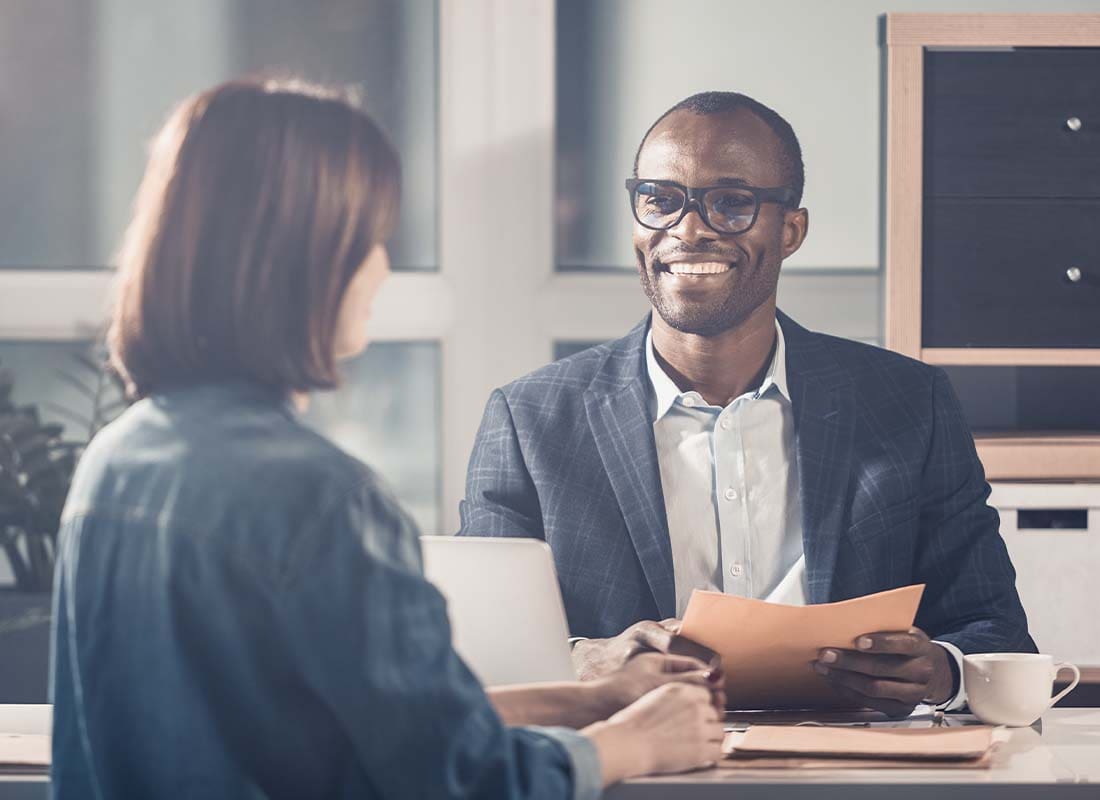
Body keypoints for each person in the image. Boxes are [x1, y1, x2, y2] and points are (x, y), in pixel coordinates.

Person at [49, 79, 725, 800]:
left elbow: (335, 728)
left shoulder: (116, 462)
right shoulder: (315, 496)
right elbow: (457, 780)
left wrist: (589, 704)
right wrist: (627, 747)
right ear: (304, 263)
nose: (382, 270)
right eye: (370, 241)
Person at [459, 91, 1035, 718]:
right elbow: (480, 658)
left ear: (790, 230)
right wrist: (580, 660)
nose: (687, 229)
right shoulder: (530, 421)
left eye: (730, 203)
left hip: (852, 772)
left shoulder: (909, 403)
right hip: (636, 771)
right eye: (660, 200)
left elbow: (995, 631)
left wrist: (938, 671)